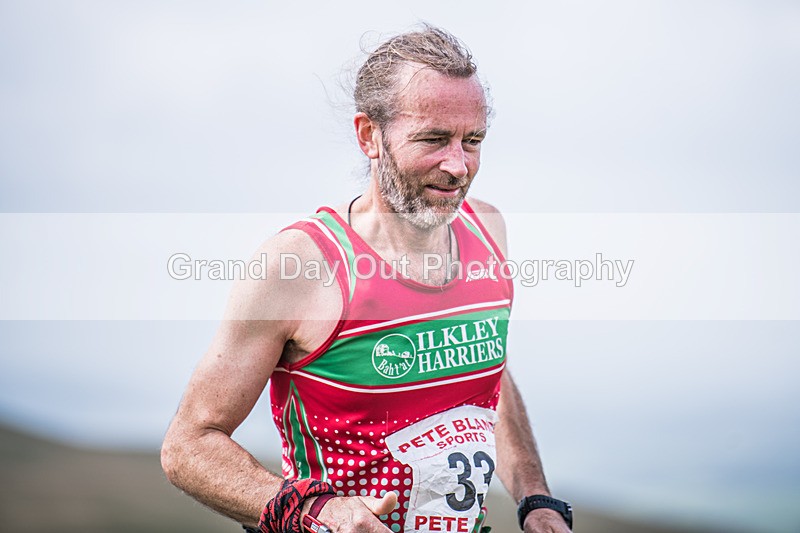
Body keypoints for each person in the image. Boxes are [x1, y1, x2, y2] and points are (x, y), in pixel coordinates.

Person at [161, 25, 572, 533]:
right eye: (434, 140)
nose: (458, 166)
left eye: (474, 140)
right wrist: (319, 512)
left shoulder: (488, 230)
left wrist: (536, 499)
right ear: (368, 136)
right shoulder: (298, 267)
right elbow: (188, 445)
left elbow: (485, 380)